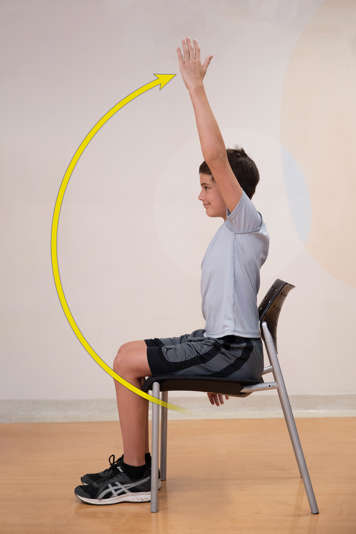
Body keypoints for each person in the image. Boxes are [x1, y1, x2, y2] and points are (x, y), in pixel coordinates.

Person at [74, 37, 269, 506]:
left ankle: (137, 475)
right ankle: (136, 465)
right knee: (127, 354)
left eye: (208, 185)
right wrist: (210, 366)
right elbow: (230, 309)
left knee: (125, 362)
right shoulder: (232, 231)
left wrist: (195, 88)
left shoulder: (247, 222)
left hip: (231, 352)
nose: (201, 194)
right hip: (223, 345)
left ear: (232, 189)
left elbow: (218, 157)